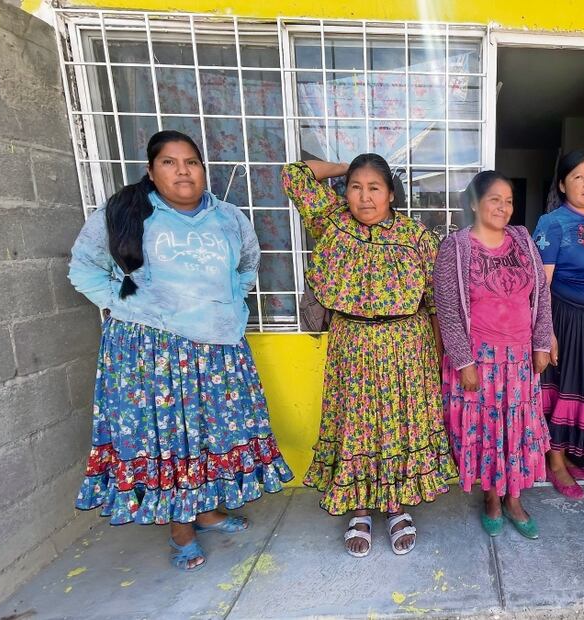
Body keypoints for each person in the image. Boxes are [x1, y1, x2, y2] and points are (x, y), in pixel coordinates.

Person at [69, 130, 293, 571]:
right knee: (170, 438)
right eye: (169, 162)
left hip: (216, 349)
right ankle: (180, 528)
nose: (183, 170)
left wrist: (226, 302)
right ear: (151, 171)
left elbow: (248, 264)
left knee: (210, 436)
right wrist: (128, 306)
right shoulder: (124, 213)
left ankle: (205, 511)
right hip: (152, 352)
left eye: (191, 161)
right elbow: (83, 268)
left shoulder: (228, 218)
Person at [281, 155, 456, 557]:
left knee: (399, 427)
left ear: (391, 194)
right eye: (355, 187)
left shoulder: (416, 238)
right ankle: (358, 508)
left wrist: (437, 361)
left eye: (374, 187)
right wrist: (350, 165)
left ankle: (396, 507)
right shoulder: (333, 222)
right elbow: (293, 175)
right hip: (352, 345)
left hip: (406, 347)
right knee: (356, 425)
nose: (363, 196)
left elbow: (435, 303)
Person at [434, 171, 553, 539]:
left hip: (519, 358)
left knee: (517, 430)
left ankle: (515, 498)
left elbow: (541, 296)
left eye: (509, 200)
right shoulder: (455, 248)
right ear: (474, 203)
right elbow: (448, 309)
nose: (503, 207)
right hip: (479, 359)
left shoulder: (522, 241)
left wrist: (542, 343)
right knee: (487, 431)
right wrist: (463, 361)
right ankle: (491, 498)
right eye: (494, 199)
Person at [531, 150, 584, 499]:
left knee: (582, 388)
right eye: (578, 177)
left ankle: (565, 459)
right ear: (563, 184)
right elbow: (541, 286)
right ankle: (554, 463)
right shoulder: (552, 223)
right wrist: (546, 332)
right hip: (565, 319)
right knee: (560, 388)